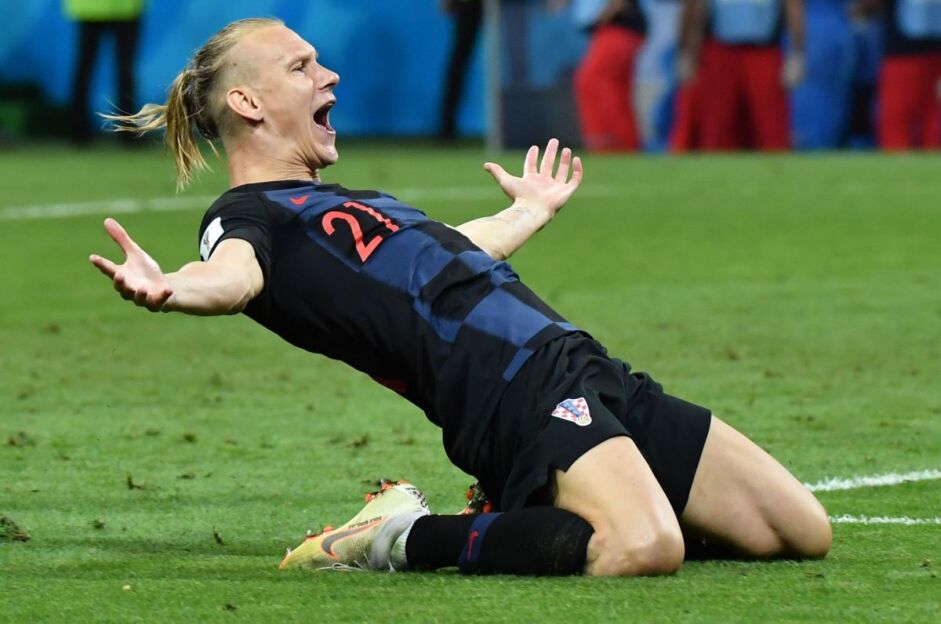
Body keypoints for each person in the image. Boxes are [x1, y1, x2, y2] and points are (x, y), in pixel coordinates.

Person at [90, 18, 831, 576]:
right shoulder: (246, 215)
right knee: (640, 547)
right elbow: (232, 276)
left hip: (576, 361)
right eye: (302, 66)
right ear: (248, 101)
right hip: (506, 392)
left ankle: (533, 509)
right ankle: (398, 536)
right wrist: (172, 287)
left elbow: (450, 253)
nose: (329, 75)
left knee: (796, 531)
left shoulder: (346, 202)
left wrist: (527, 212)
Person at [671, 0, 806, 151]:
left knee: (772, 126)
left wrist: (797, 54)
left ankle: (776, 164)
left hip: (763, 52)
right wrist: (685, 53)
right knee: (716, 127)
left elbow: (793, 6)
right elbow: (692, 7)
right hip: (720, 52)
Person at [65, 0, 145, 146]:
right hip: (124, 7)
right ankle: (128, 131)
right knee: (124, 71)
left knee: (85, 68)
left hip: (89, 7)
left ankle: (78, 131)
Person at [572, 0, 649, 151]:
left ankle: (610, 143)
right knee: (615, 89)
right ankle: (624, 144)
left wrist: (602, 19)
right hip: (618, 29)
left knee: (593, 82)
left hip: (616, 28)